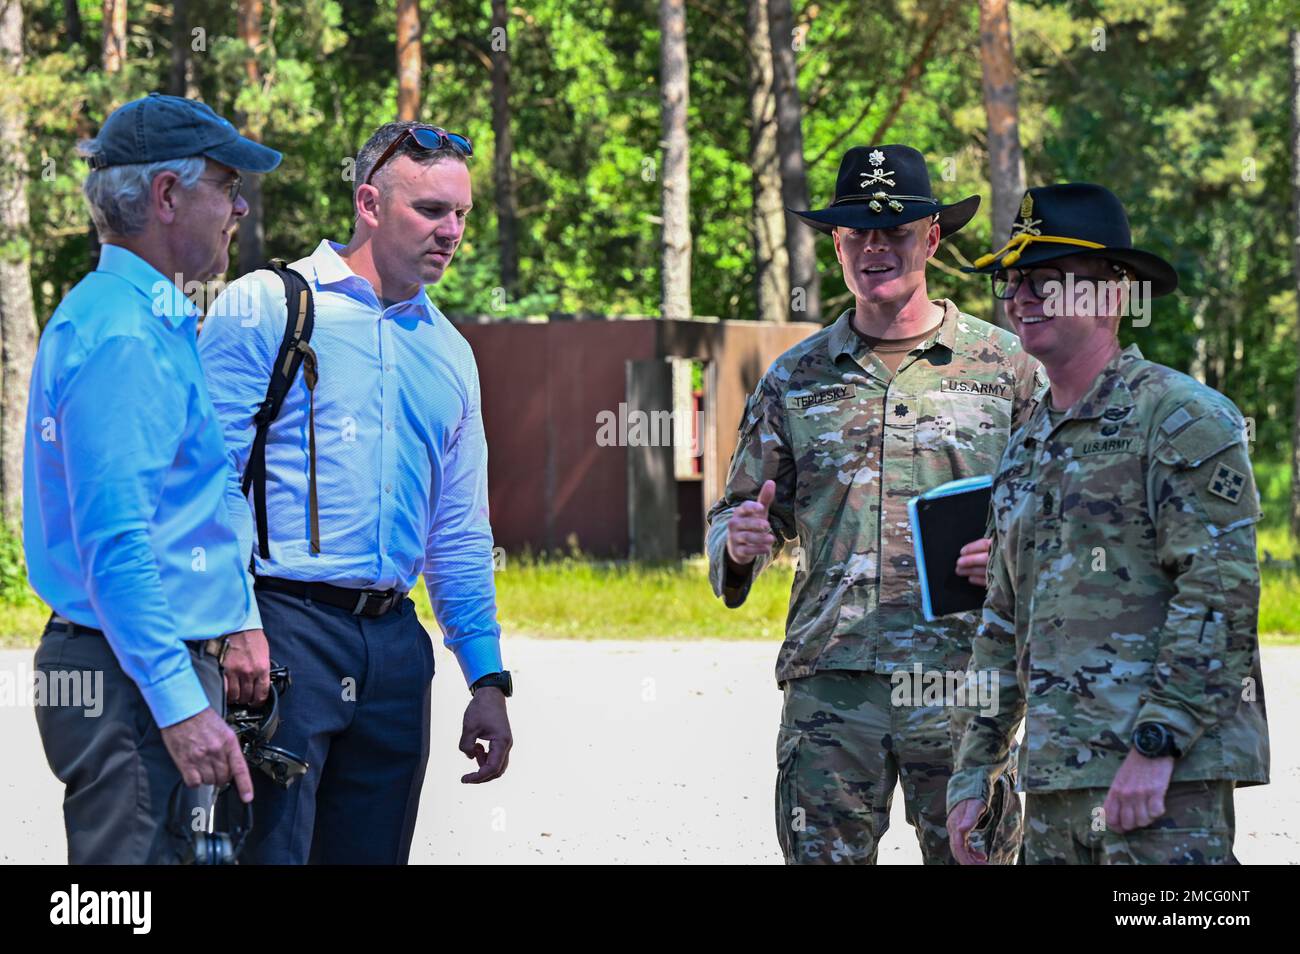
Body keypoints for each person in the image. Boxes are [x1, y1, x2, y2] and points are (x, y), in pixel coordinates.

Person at [706, 144, 1040, 864]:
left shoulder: (1008, 369)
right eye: (857, 231)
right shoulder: (795, 378)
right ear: (836, 243)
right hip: (832, 691)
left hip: (964, 684)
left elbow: (1064, 517)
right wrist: (737, 545)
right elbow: (732, 513)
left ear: (932, 237)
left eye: (894, 230)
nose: (875, 246)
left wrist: (1016, 556)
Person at [198, 120, 512, 864]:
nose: (452, 231)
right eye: (431, 210)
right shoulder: (266, 306)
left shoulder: (451, 352)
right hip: (282, 634)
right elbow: (204, 485)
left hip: (395, 648)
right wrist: (235, 623)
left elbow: (459, 529)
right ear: (369, 203)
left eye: (462, 214)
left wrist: (487, 676)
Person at [946, 183, 1270, 865]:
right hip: (1055, 787)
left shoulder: (1181, 419)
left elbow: (1218, 594)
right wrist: (976, 773)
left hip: (1161, 791)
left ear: (1112, 293)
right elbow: (1002, 623)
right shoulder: (1027, 445)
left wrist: (1158, 745)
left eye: (1048, 278)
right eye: (1013, 278)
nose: (1021, 295)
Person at [25, 93, 281, 863]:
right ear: (167, 196)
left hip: (136, 666)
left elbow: (180, 514)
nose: (237, 208)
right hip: (131, 680)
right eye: (226, 186)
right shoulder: (125, 335)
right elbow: (117, 544)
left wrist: (231, 622)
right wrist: (178, 703)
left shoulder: (139, 317)